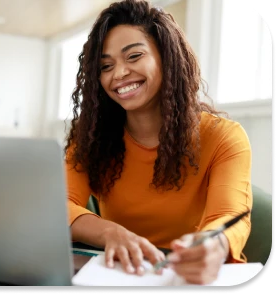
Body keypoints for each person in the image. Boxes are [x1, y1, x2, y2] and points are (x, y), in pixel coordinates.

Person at [64, 0, 252, 285]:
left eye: (134, 56)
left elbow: (229, 216)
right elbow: (60, 204)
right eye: (105, 65)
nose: (119, 74)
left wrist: (214, 245)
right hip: (118, 274)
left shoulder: (224, 137)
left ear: (167, 56)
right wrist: (110, 232)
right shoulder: (90, 137)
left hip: (189, 277)